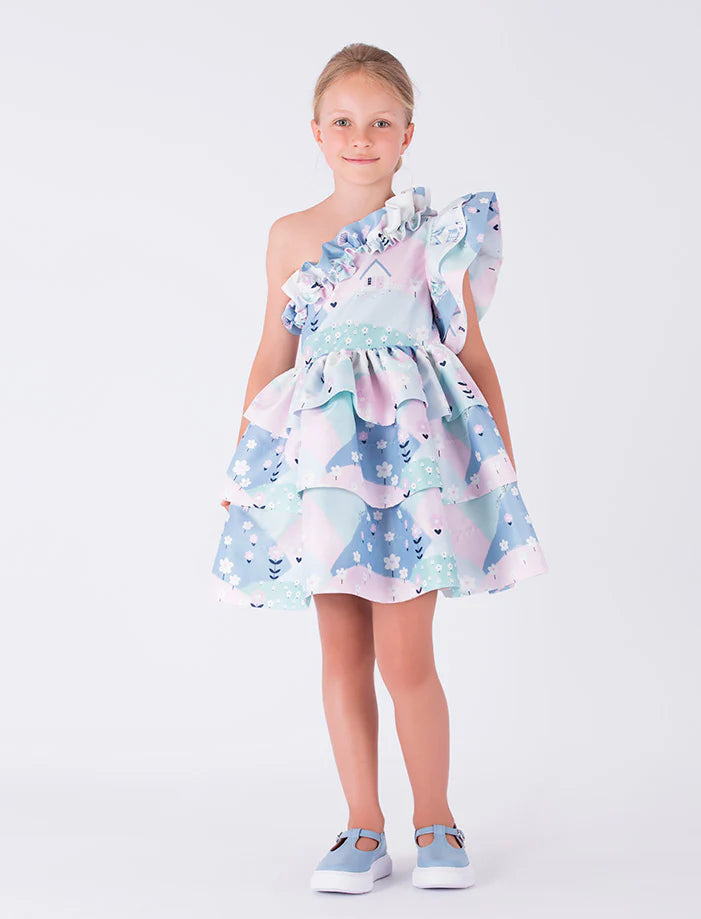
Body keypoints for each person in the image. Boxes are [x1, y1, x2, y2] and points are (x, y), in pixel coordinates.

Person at [211, 42, 548, 894]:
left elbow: (474, 358)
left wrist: (497, 466)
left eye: (379, 123)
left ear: (407, 135)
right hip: (321, 469)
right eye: (342, 122)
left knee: (406, 657)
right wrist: (245, 467)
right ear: (316, 132)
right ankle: (362, 827)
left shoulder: (436, 237)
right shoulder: (289, 235)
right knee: (340, 653)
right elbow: (271, 358)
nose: (360, 137)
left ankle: (435, 818)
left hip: (409, 468)